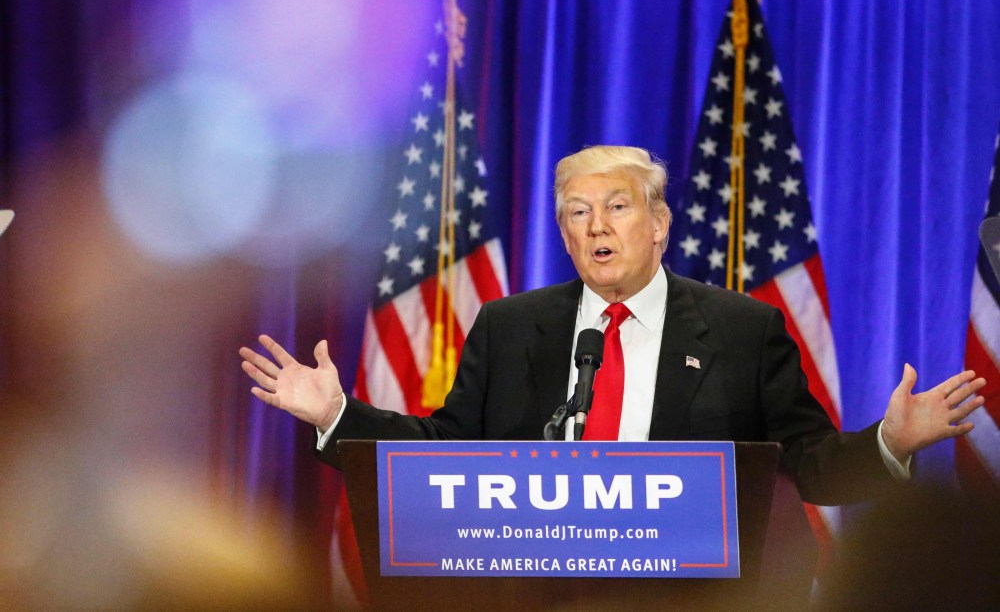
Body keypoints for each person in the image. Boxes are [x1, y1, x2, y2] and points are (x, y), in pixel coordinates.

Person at [239, 146, 985, 505]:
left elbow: (810, 462)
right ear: (565, 237)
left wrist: (891, 443)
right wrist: (337, 415)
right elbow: (444, 450)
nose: (597, 226)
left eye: (618, 207)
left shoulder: (741, 330)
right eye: (577, 213)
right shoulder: (508, 327)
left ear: (659, 224)